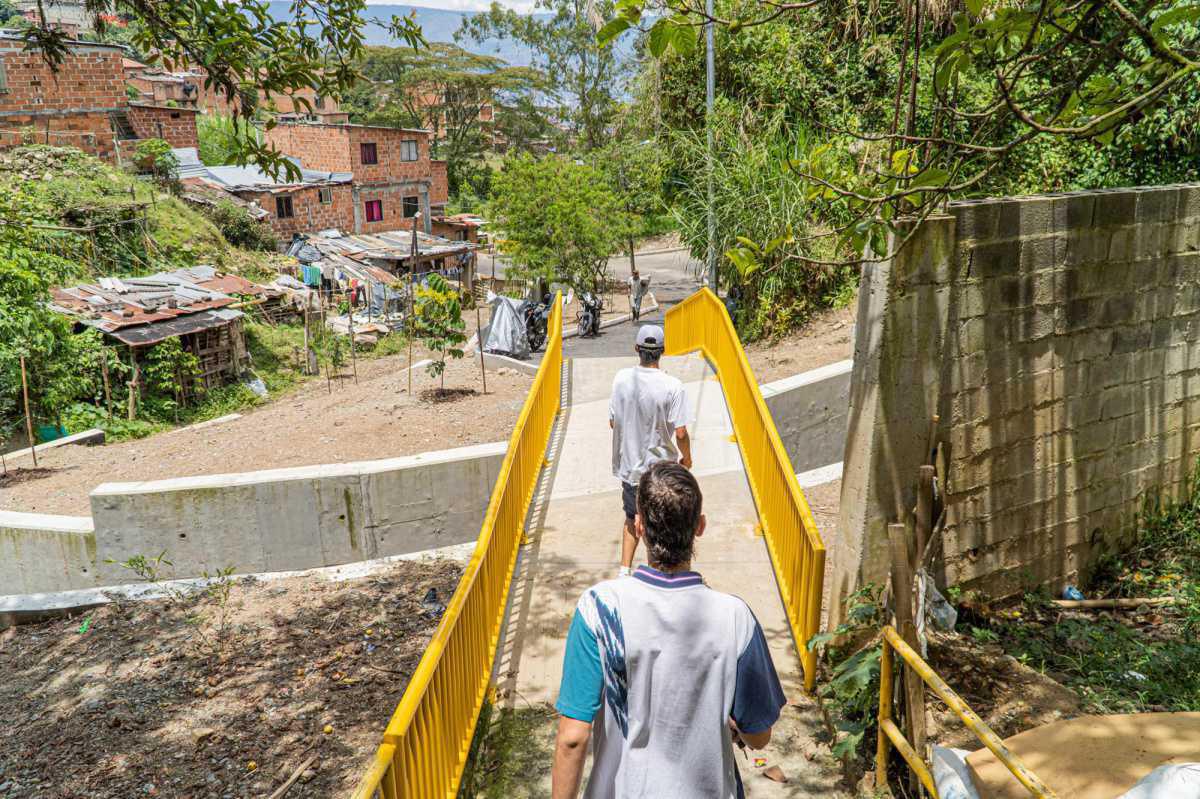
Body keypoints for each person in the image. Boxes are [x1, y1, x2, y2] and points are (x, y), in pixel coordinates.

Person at [551, 462, 786, 799]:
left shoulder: (598, 609)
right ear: (700, 527)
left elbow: (573, 738)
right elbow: (759, 737)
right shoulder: (736, 618)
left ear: (639, 526)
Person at [609, 325, 691, 576]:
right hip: (662, 473)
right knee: (658, 525)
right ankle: (653, 575)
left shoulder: (621, 379)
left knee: (632, 518)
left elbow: (613, 422)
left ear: (637, 349)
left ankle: (624, 572)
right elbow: (681, 433)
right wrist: (686, 458)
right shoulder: (673, 386)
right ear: (662, 351)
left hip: (631, 470)